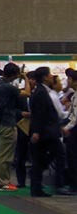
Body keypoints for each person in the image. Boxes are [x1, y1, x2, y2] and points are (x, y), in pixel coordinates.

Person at [29, 67, 73, 197]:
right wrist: (36, 131)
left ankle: (37, 183)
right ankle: (55, 184)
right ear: (44, 77)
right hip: (46, 131)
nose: (51, 76)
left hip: (48, 130)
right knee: (58, 155)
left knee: (45, 157)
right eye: (49, 74)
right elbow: (38, 114)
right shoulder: (41, 93)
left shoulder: (44, 91)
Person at [0, 62, 24, 192]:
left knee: (3, 154)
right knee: (5, 155)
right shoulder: (8, 87)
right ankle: (2, 182)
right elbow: (27, 93)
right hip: (7, 123)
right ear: (14, 75)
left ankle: (4, 180)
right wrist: (26, 78)